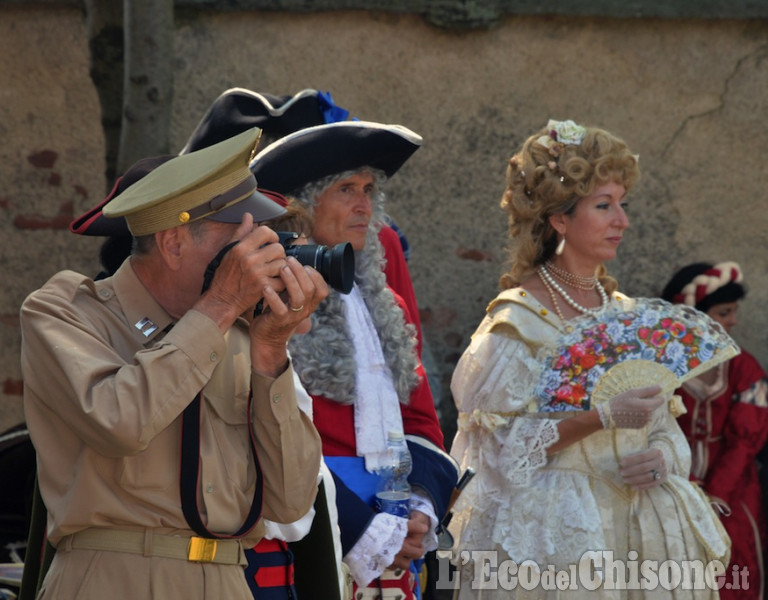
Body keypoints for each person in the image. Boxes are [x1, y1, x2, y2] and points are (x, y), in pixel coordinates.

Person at [19, 128, 325, 600]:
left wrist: (271, 351)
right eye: (242, 238)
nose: (264, 252)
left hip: (227, 579)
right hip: (114, 579)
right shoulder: (66, 310)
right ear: (175, 242)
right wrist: (221, 304)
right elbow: (120, 422)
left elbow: (290, 500)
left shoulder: (241, 335)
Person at [448, 119, 731, 598]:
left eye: (623, 204)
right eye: (604, 206)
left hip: (642, 536)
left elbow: (666, 431)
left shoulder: (628, 319)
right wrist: (598, 417)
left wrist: (662, 457)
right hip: (557, 544)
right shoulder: (517, 323)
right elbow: (498, 453)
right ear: (559, 219)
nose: (622, 220)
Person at [250, 120, 460, 599]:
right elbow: (262, 436)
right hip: (305, 530)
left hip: (395, 526)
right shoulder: (263, 306)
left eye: (369, 190)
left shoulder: (388, 305)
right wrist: (363, 527)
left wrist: (420, 508)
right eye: (346, 189)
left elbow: (423, 422)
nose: (365, 205)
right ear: (301, 205)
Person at [661, 261, 768, 600]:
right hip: (671, 484)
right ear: (694, 315)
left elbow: (745, 441)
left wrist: (715, 494)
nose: (733, 321)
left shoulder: (743, 367)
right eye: (725, 312)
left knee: (735, 565)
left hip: (734, 488)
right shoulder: (658, 366)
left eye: (734, 311)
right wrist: (687, 490)